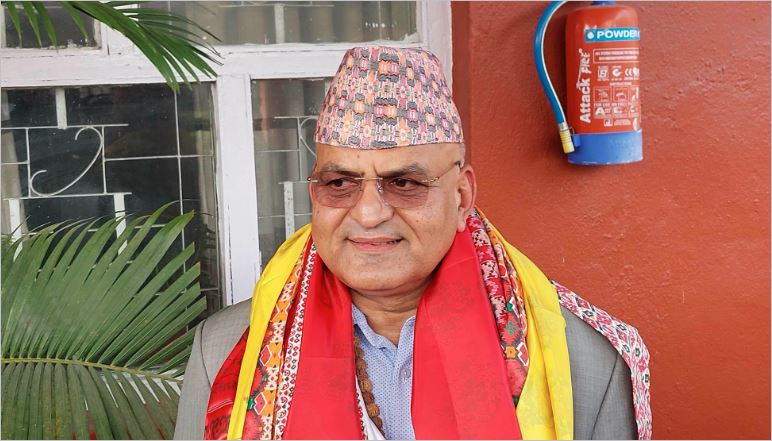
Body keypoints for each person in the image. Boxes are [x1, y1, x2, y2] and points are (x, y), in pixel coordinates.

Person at [174, 46, 651, 440]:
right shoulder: (225, 350)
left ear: (461, 197)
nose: (368, 213)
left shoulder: (581, 361)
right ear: (314, 195)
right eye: (339, 183)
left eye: (404, 183)